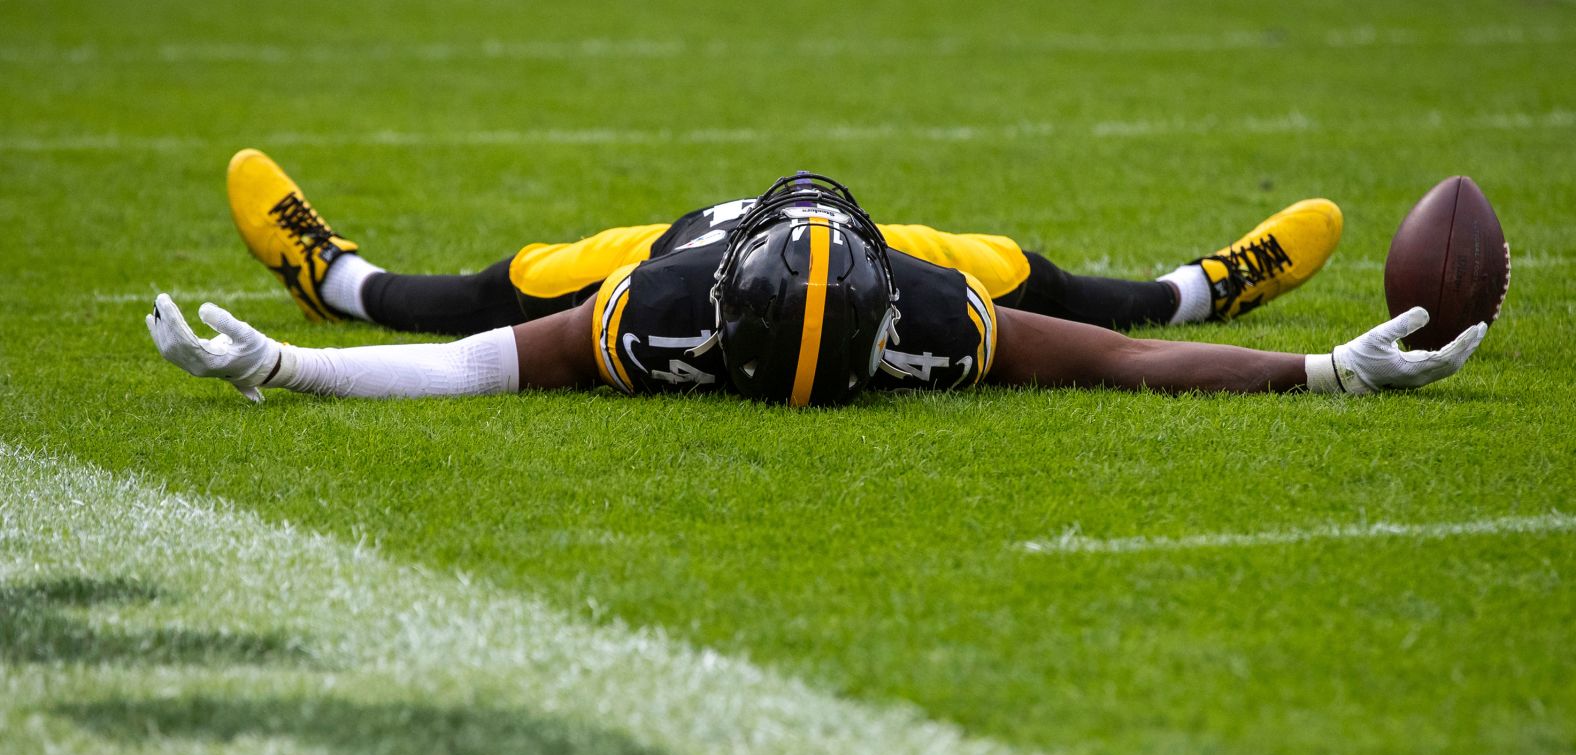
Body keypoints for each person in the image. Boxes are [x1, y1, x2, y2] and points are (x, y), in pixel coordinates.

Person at [148, 149, 1486, 405]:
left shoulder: (912, 291)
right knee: (459, 290)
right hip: (690, 235)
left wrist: (1321, 364)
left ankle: (1217, 277)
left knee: (1098, 291)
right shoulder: (666, 294)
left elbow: (1125, 353)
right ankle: (331, 275)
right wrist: (295, 350)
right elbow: (475, 352)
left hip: (875, 247)